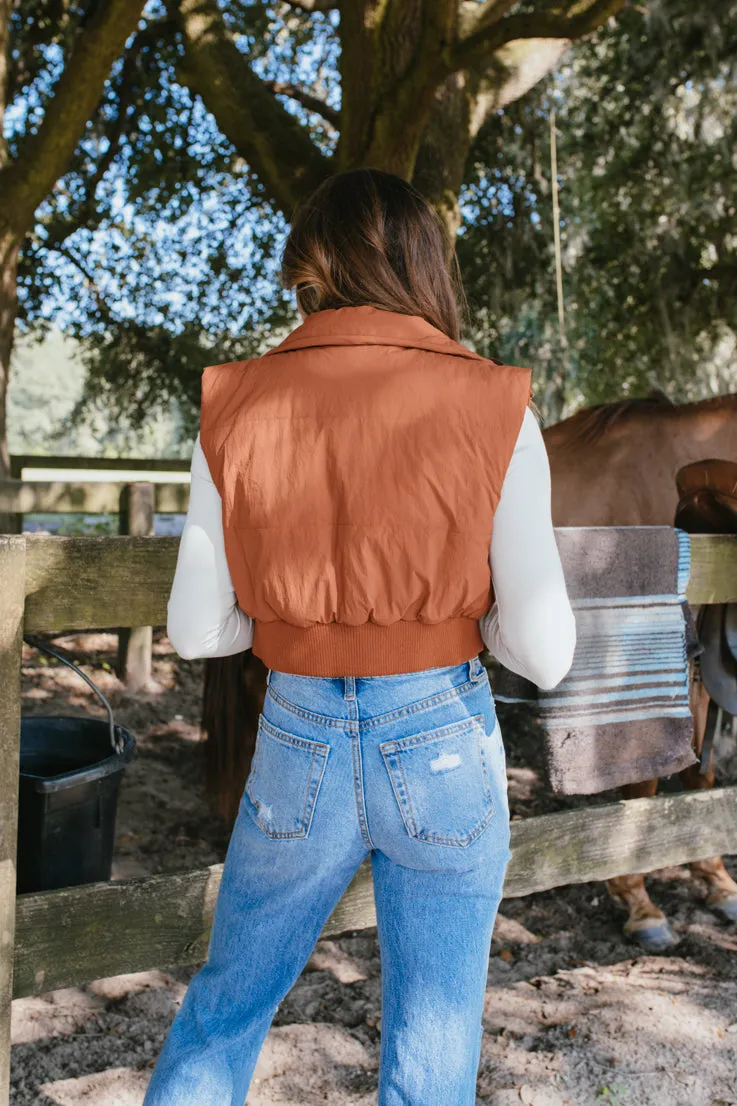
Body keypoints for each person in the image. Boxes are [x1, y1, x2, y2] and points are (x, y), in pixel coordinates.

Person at [143, 167, 576, 1106]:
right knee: (433, 1035)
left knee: (226, 1006)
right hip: (443, 738)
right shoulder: (498, 404)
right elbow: (546, 654)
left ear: (311, 265)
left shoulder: (233, 403)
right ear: (425, 266)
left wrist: (300, 602)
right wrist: (458, 611)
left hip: (296, 734)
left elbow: (194, 629)